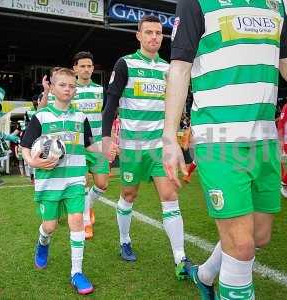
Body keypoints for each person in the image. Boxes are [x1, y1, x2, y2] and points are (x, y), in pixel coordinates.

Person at [162, 1, 287, 299]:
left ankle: (205, 275)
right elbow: (180, 69)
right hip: (218, 138)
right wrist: (170, 138)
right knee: (241, 248)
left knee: (259, 237)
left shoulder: (274, 4)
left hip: (265, 140)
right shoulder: (196, 2)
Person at [102, 15, 191, 280]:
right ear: (138, 36)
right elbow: (111, 104)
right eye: (149, 32)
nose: (154, 37)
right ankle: (124, 239)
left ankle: (180, 257)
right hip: (132, 147)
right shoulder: (125, 63)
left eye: (158, 33)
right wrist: (107, 138)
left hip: (159, 147)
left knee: (170, 196)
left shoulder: (169, 69)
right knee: (129, 195)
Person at [20, 68, 103, 295]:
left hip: (75, 180)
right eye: (63, 85)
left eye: (72, 86)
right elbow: (25, 145)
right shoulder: (41, 117)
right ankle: (43, 241)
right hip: (49, 182)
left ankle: (76, 272)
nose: (68, 89)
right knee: (51, 226)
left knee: (77, 220)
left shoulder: (80, 117)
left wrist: (105, 152)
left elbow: (89, 146)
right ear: (53, 88)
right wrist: (32, 162)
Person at [42, 53, 109, 239]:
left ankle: (87, 205)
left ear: (93, 68)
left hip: (96, 145)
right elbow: (46, 111)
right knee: (82, 184)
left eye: (89, 66)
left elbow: (108, 114)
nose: (86, 69)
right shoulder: (69, 89)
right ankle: (86, 221)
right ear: (75, 69)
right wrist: (47, 91)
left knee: (102, 184)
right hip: (76, 146)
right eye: (83, 66)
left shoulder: (100, 90)